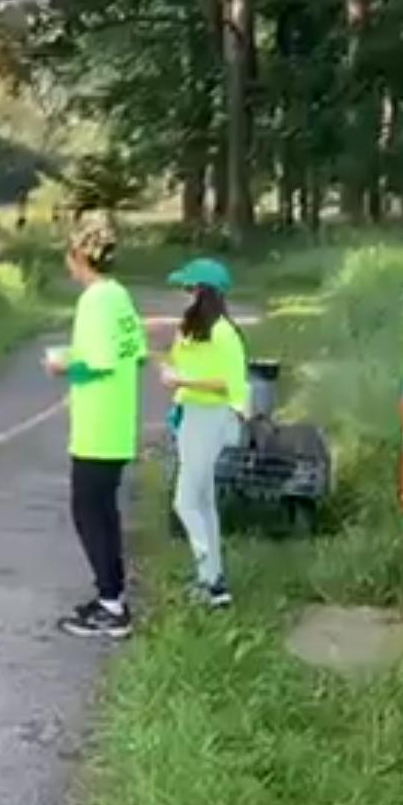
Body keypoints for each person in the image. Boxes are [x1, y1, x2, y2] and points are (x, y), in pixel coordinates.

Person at [47, 214, 147, 637]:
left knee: (89, 512)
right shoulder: (120, 296)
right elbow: (134, 354)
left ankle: (112, 604)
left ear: (78, 257)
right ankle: (112, 595)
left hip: (96, 423)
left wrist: (63, 365)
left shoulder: (93, 301)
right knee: (103, 511)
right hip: (118, 418)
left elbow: (97, 363)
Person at [162, 257, 246, 608]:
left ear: (204, 293)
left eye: (189, 288)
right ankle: (214, 579)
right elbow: (178, 364)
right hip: (191, 415)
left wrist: (183, 380)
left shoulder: (224, 334)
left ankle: (210, 580)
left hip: (210, 417)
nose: (183, 294)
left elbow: (228, 383)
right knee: (203, 501)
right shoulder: (192, 331)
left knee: (185, 501)